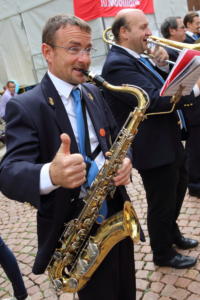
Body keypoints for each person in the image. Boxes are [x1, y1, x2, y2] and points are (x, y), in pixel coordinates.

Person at [0, 14, 137, 300]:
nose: (85, 59)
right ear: (47, 52)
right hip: (75, 231)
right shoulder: (26, 106)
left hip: (114, 216)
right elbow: (9, 173)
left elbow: (116, 139)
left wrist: (125, 161)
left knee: (126, 291)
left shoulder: (92, 92)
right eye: (74, 49)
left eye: (87, 50)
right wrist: (51, 174)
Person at [102, 8, 200, 269]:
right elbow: (152, 100)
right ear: (124, 32)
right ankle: (162, 253)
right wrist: (195, 87)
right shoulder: (117, 64)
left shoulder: (138, 58)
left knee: (178, 190)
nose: (150, 33)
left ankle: (173, 234)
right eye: (143, 27)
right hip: (152, 146)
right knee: (161, 202)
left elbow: (160, 87)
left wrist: (160, 65)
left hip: (167, 139)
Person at [161, 16, 200, 198]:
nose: (185, 30)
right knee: (195, 145)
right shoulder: (169, 51)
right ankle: (195, 184)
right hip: (189, 104)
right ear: (172, 31)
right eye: (181, 27)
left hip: (195, 101)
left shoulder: (181, 47)